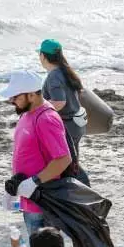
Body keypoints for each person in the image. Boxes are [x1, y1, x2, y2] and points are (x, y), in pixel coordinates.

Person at [0, 70, 72, 247]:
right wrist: (15, 188)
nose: (11, 100)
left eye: (15, 96)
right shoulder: (27, 114)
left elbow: (63, 159)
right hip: (29, 197)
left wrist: (34, 182)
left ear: (31, 95)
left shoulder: (46, 119)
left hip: (44, 201)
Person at [38, 39, 91, 186]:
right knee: (72, 163)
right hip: (76, 123)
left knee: (67, 166)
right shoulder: (65, 71)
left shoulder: (54, 75)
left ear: (43, 56)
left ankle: (81, 192)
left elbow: (60, 102)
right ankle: (79, 191)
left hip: (67, 126)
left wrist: (38, 110)